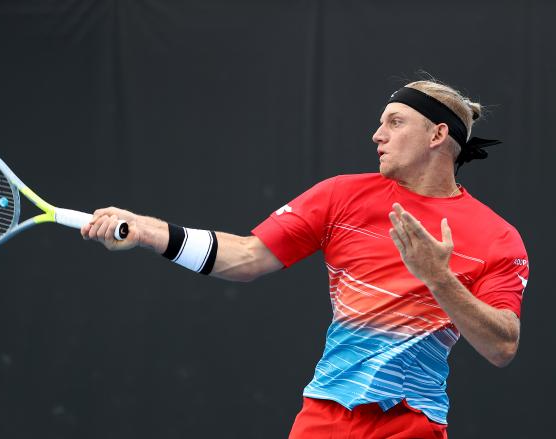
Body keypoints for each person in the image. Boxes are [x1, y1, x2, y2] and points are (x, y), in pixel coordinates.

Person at [80, 79, 528, 438]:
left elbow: (502, 347)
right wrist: (145, 231)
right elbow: (246, 257)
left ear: (437, 134)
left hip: (411, 422)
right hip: (325, 417)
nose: (378, 135)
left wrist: (438, 279)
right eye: (380, 123)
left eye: (395, 122)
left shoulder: (497, 237)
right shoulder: (341, 196)